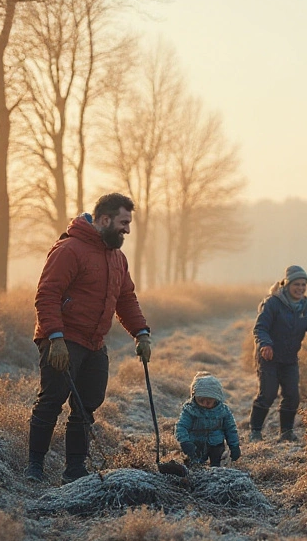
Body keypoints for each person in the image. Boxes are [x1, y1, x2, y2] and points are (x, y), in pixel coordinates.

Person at [27, 193, 152, 485]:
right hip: (62, 338)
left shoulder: (117, 258)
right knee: (51, 401)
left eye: (129, 223)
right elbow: (47, 295)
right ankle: (34, 466)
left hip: (95, 342)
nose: (128, 230)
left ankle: (74, 471)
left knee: (87, 405)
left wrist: (141, 333)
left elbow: (126, 298)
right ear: (105, 219)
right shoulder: (69, 249)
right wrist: (55, 339)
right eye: (123, 222)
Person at [251, 266, 307, 442]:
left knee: (293, 396)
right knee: (268, 394)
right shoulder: (272, 303)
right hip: (269, 357)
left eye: (304, 284)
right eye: (297, 284)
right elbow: (260, 328)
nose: (300, 288)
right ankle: (255, 431)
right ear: (287, 284)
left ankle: (286, 433)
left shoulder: (306, 305)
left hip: (289, 359)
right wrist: (265, 345)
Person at [177, 372, 240, 467]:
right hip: (195, 444)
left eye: (208, 401)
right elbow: (181, 426)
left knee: (218, 464)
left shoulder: (223, 411)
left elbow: (230, 429)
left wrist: (234, 446)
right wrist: (185, 442)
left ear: (216, 399)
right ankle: (194, 468)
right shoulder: (190, 410)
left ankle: (216, 469)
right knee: (193, 465)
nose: (204, 404)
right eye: (201, 401)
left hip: (216, 444)